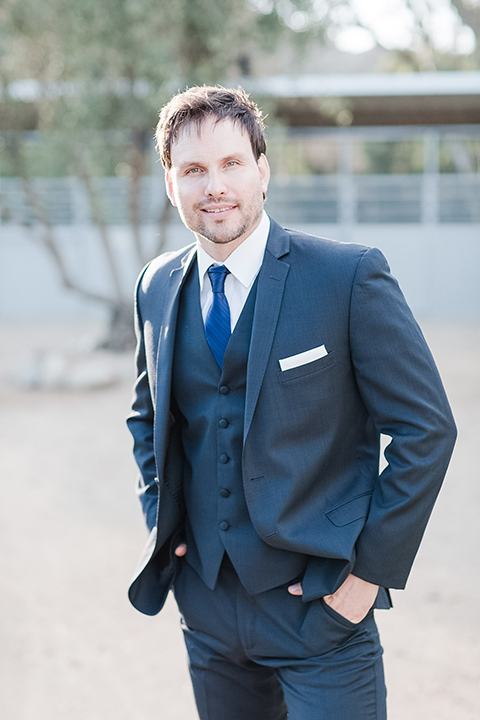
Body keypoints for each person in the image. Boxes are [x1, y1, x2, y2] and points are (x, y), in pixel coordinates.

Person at [126, 85, 456, 720]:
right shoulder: (156, 284)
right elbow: (148, 418)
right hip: (210, 613)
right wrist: (164, 531)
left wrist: (365, 579)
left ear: (263, 169)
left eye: (231, 164)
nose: (214, 185)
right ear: (171, 183)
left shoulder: (347, 276)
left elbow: (426, 430)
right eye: (194, 170)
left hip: (322, 611)